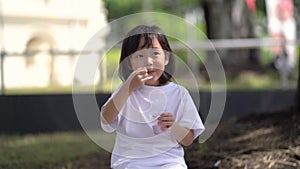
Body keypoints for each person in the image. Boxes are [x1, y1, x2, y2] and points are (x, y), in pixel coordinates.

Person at [100, 25, 205, 169]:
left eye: (155, 53)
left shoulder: (179, 94)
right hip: (130, 162)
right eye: (140, 56)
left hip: (169, 162)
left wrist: (174, 126)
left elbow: (188, 140)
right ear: (129, 62)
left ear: (166, 58)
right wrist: (128, 88)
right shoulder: (124, 91)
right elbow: (106, 119)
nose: (148, 61)